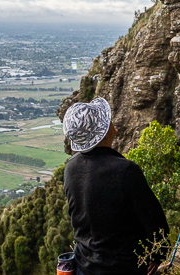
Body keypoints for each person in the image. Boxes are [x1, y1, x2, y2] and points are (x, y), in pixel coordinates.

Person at [63, 97, 169, 275]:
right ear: (102, 132)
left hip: (85, 266)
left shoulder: (70, 167)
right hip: (123, 268)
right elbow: (155, 223)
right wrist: (157, 255)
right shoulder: (125, 170)